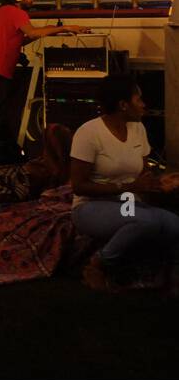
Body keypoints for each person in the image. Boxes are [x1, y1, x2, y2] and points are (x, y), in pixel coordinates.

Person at [70, 77, 179, 293]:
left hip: (127, 203)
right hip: (91, 206)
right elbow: (79, 186)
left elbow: (143, 172)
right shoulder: (88, 133)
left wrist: (158, 182)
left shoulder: (138, 129)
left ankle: (172, 279)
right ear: (123, 105)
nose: (144, 104)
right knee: (146, 221)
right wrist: (128, 188)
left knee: (174, 223)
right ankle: (97, 265)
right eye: (138, 98)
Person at [0, 0, 91, 153]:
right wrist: (64, 27)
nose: (32, 0)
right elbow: (31, 32)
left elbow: (19, 39)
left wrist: (54, 30)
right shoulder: (17, 13)